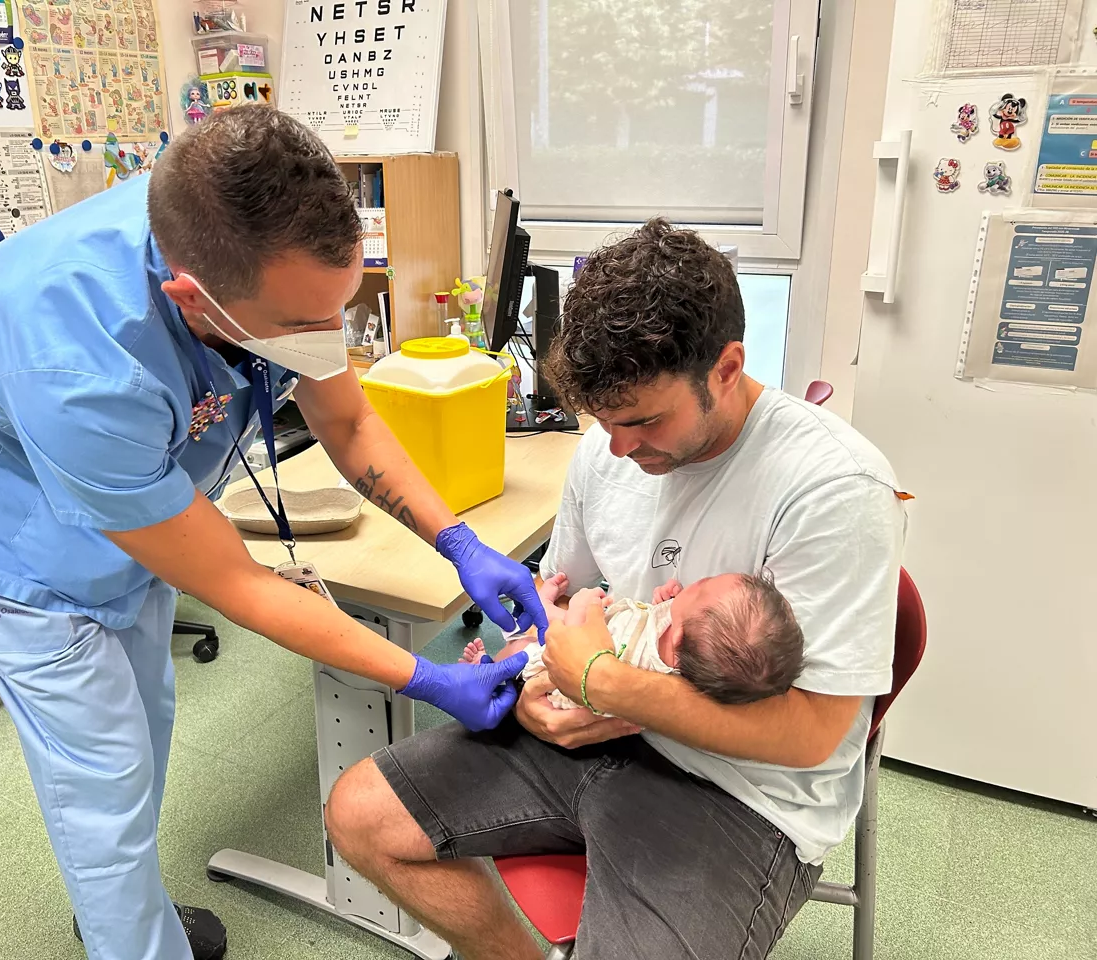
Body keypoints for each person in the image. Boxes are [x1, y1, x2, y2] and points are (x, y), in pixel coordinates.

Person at [0, 105, 546, 960]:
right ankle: (130, 941)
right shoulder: (82, 363)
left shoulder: (238, 234)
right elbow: (237, 584)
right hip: (8, 532)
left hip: (130, 494)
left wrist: (458, 542)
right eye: (300, 325)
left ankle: (122, 910)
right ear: (191, 297)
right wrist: (423, 677)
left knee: (148, 720)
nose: (323, 342)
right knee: (104, 773)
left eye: (334, 311)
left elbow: (345, 423)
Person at [325, 220, 906, 960]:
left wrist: (601, 682)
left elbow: (812, 734)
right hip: (577, 737)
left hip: (737, 791)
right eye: (604, 421)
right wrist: (537, 683)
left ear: (727, 368)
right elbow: (562, 607)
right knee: (359, 815)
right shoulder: (608, 450)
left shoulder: (834, 489)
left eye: (644, 421)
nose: (622, 449)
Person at [461, 571, 806, 710]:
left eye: (702, 586)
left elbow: (582, 646)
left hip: (567, 669)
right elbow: (656, 622)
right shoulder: (681, 648)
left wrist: (585, 604)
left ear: (679, 635)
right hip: (601, 631)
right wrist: (666, 603)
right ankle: (538, 615)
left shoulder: (640, 661)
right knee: (542, 627)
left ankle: (489, 670)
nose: (700, 578)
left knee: (530, 646)